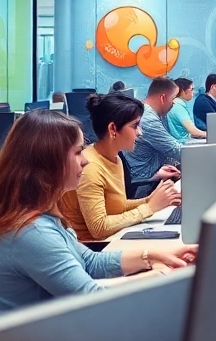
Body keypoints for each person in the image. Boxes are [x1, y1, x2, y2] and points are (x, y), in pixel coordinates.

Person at [0, 109, 196, 314]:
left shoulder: (41, 216)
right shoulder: (30, 232)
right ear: (50, 161)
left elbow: (89, 263)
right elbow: (90, 298)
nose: (85, 161)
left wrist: (149, 256)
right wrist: (159, 276)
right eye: (78, 152)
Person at [63, 92, 181, 241]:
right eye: (135, 126)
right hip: (95, 248)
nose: (140, 132)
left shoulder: (115, 158)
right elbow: (99, 228)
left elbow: (117, 207)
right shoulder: (91, 167)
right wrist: (149, 208)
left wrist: (151, 200)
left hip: (112, 240)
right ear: (113, 129)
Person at [125, 77, 186, 181]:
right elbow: (176, 151)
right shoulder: (149, 120)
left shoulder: (151, 113)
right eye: (173, 99)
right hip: (146, 182)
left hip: (156, 171)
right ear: (163, 98)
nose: (174, 104)